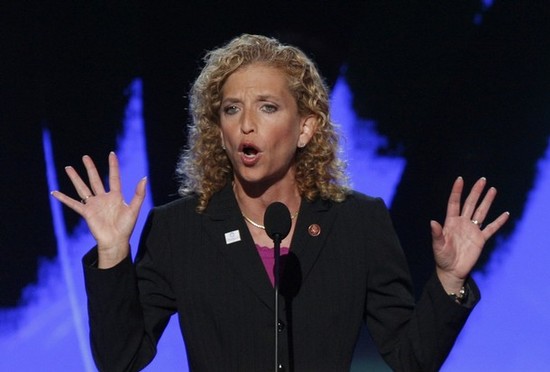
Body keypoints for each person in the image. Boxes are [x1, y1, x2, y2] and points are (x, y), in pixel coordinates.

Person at [51, 34, 509, 371]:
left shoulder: (359, 223)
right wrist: (113, 255)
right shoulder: (180, 230)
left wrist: (449, 281)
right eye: (232, 109)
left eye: (267, 107)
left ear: (306, 128)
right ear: (221, 134)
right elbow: (122, 360)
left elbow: (410, 359)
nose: (246, 124)